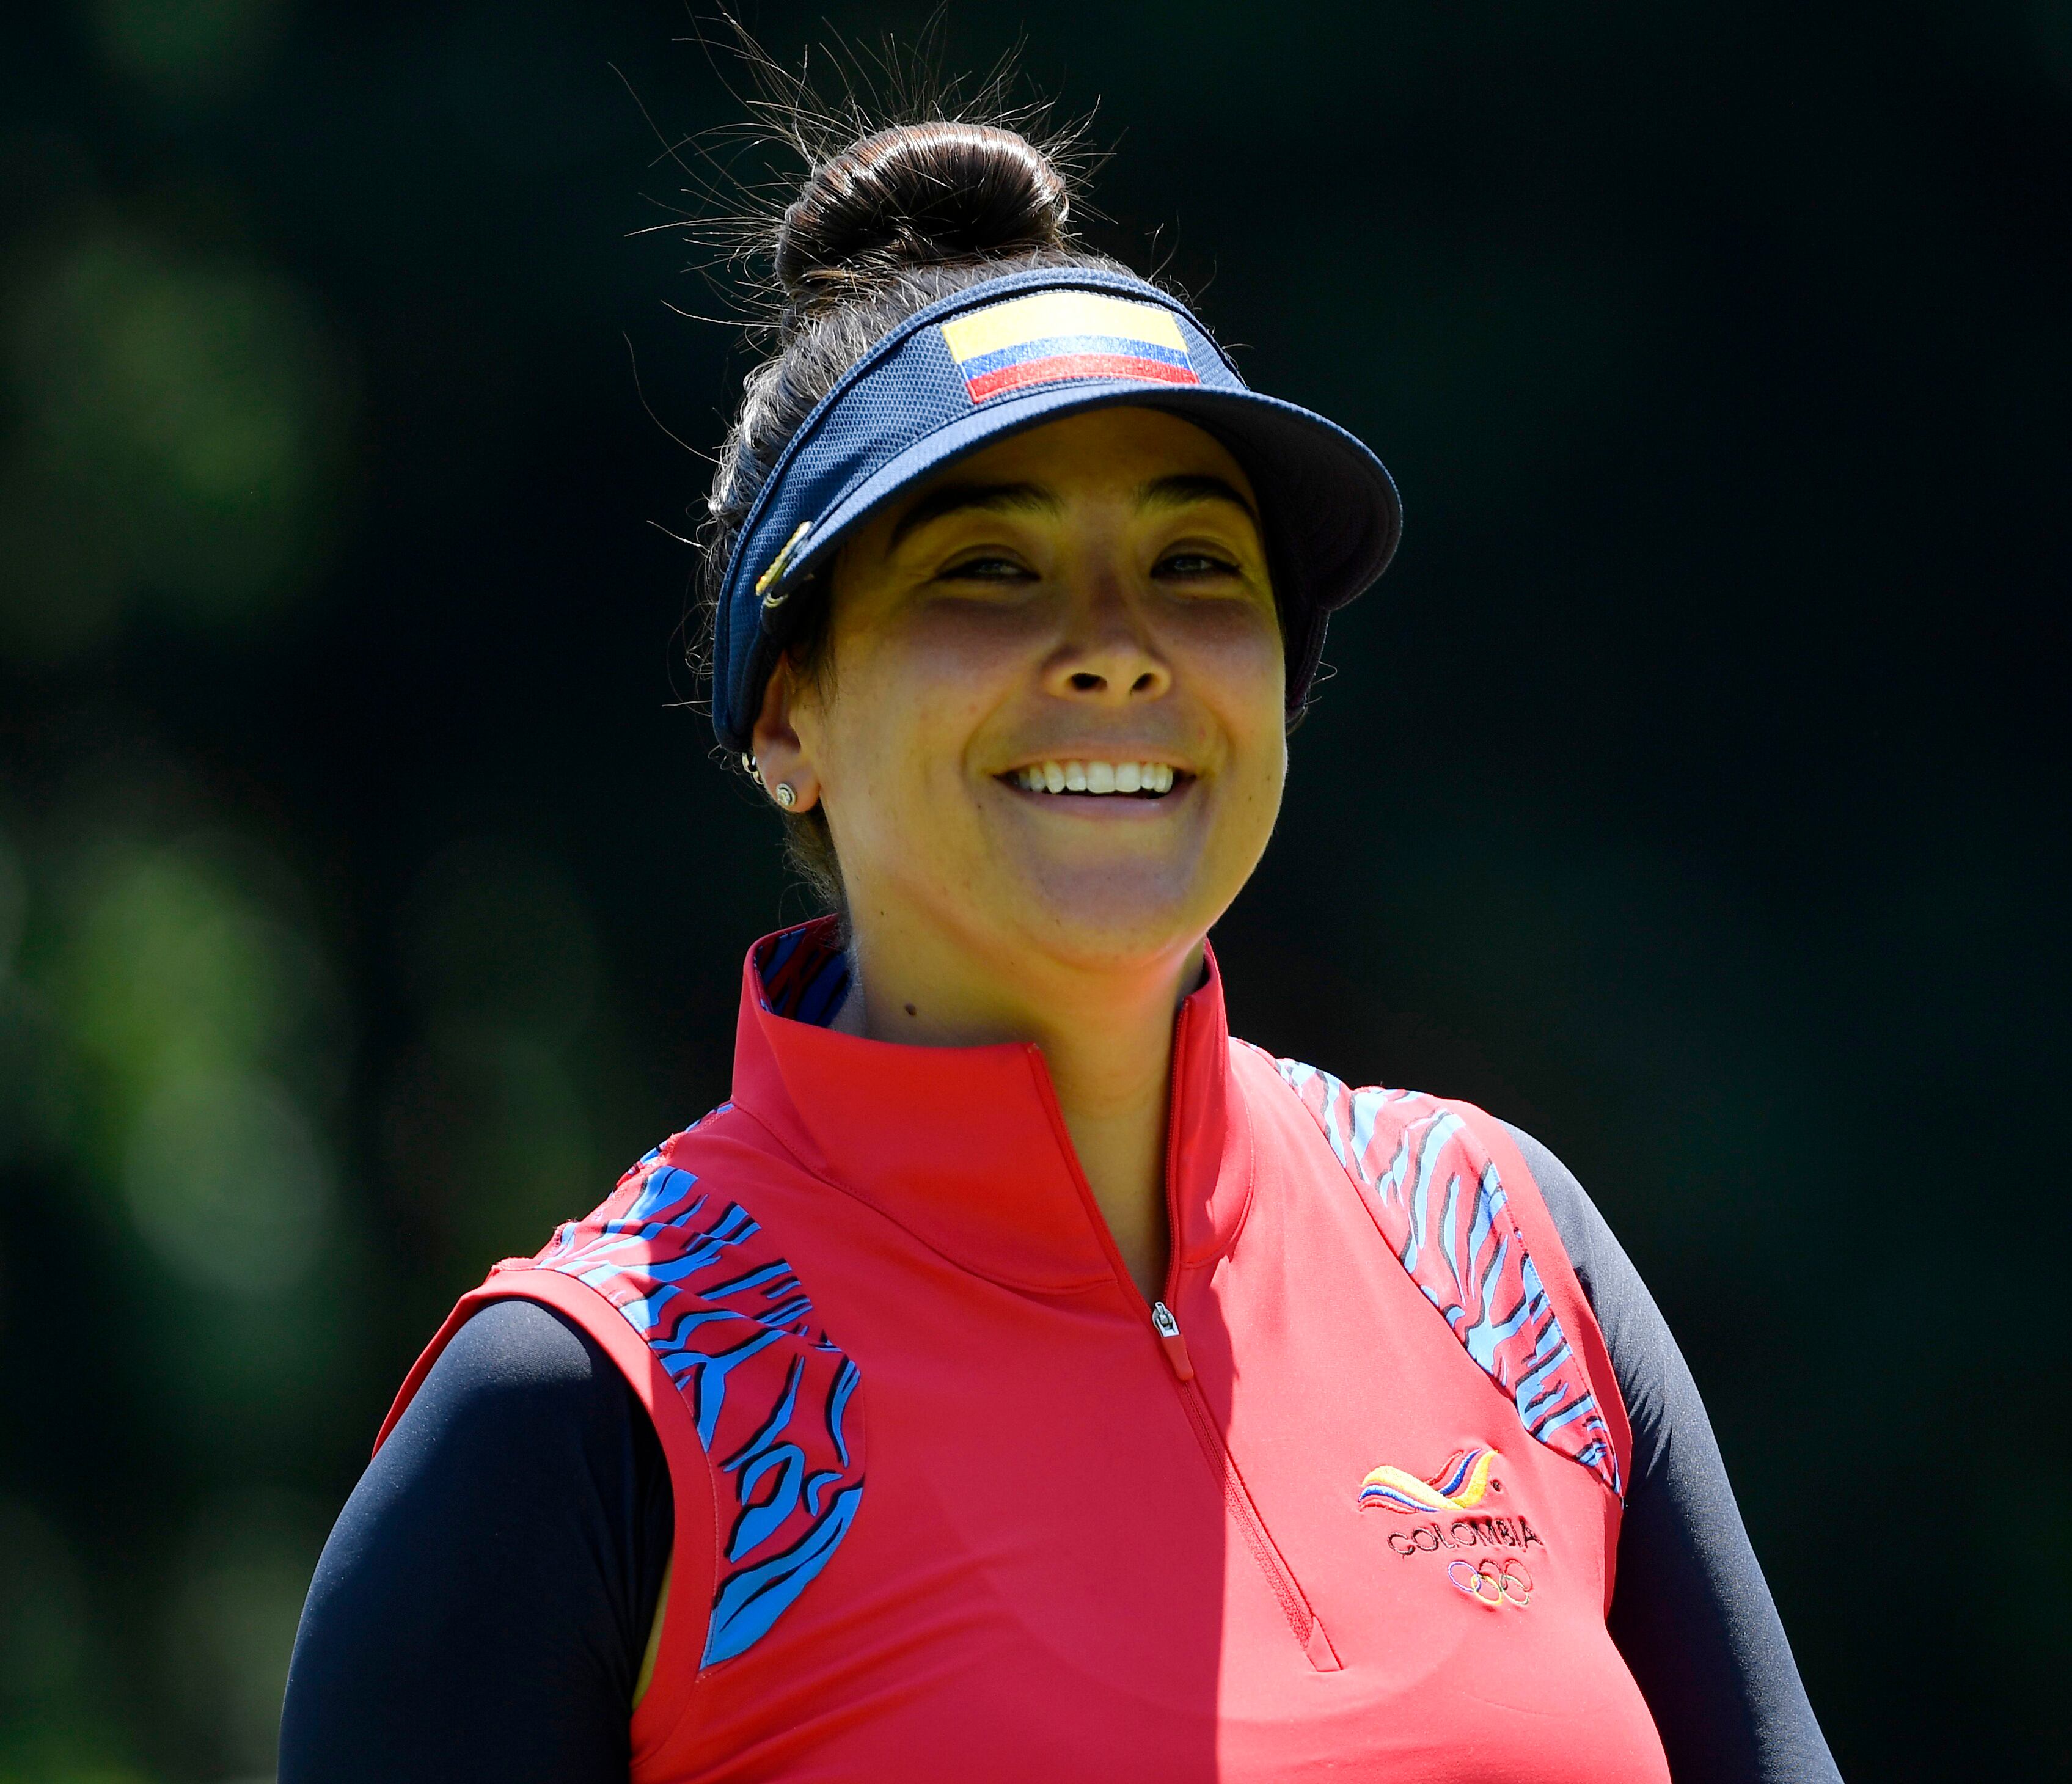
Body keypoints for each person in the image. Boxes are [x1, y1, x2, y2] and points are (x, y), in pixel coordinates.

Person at [279, 111, 1840, 1784]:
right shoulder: (582, 1408)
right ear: (784, 713)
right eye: (987, 569)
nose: (1114, 650)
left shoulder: (1511, 1257)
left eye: (1191, 563)